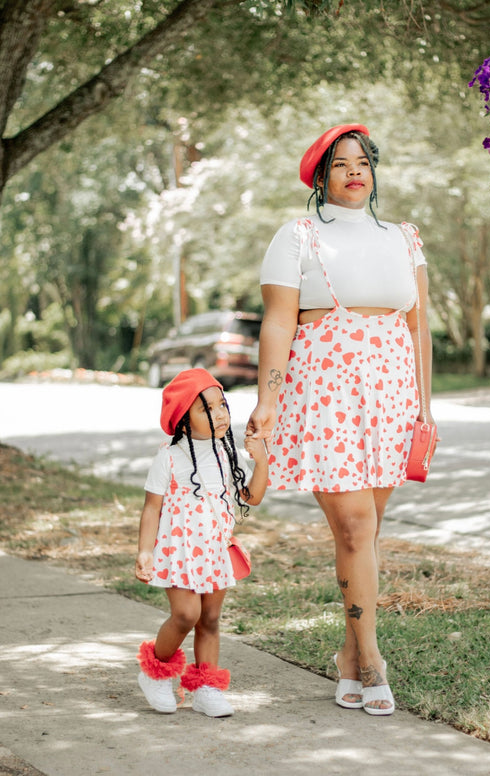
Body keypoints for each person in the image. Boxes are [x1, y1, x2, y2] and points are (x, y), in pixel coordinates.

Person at [246, 123, 436, 716]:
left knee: (367, 532)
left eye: (363, 161)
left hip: (391, 398)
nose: (355, 171)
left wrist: (426, 410)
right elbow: (278, 323)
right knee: (355, 528)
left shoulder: (405, 238)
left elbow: (417, 325)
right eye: (341, 163)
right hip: (324, 395)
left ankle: (347, 657)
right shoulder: (298, 236)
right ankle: (373, 660)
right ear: (320, 176)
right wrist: (267, 402)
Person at [136, 368, 268, 717]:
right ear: (183, 418)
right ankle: (156, 673)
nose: (219, 412)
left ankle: (207, 688)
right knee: (185, 614)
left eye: (221, 403)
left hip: (214, 549)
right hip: (178, 550)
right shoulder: (169, 456)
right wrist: (145, 551)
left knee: (209, 619)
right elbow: (152, 508)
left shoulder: (226, 454)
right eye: (206, 408)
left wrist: (262, 460)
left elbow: (251, 497)